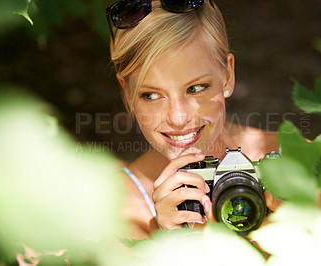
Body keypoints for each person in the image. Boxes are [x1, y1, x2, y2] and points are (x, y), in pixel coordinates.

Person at [107, 0, 280, 239]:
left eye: (196, 88)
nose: (177, 118)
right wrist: (166, 241)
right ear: (128, 93)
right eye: (152, 95)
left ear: (228, 77)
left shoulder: (291, 158)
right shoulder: (115, 207)